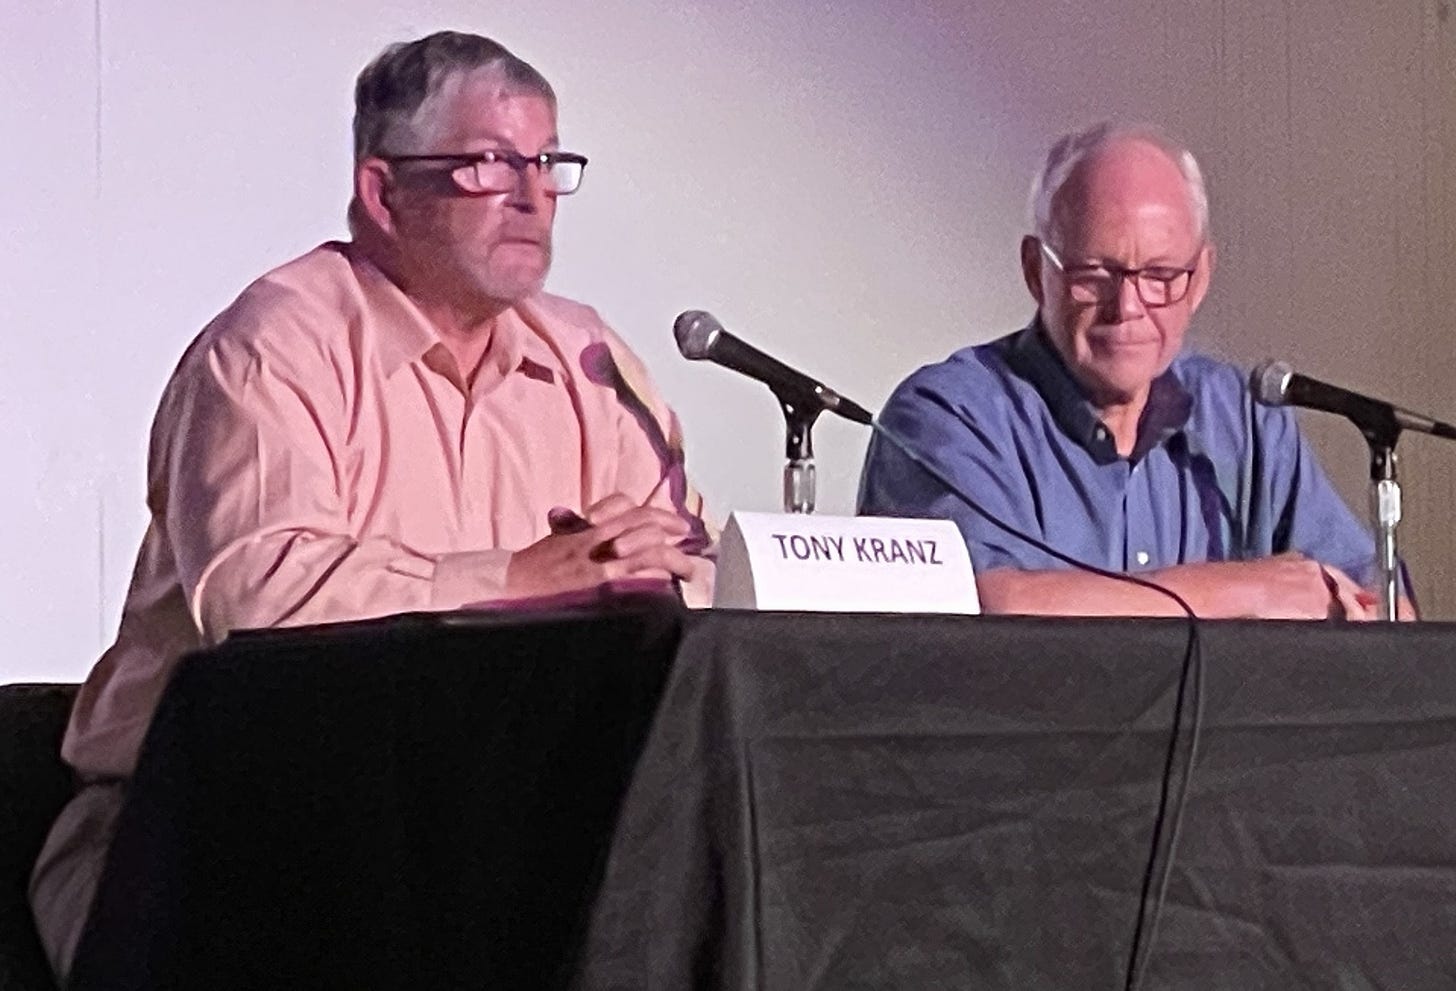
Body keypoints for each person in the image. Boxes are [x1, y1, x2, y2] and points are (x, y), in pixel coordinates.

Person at [30, 30, 713, 982]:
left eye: (548, 164)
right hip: (206, 828)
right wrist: (518, 578)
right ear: (383, 193)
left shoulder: (590, 362)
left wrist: (663, 573)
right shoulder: (277, 347)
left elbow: (688, 565)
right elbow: (261, 598)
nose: (530, 197)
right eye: (486, 165)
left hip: (483, 839)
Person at [859, 122, 1409, 620]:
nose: (1127, 306)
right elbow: (987, 603)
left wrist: (1358, 606)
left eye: (1161, 274)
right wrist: (1240, 591)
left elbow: (1383, 608)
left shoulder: (1246, 420)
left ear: (1199, 280)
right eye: (1095, 273)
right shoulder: (949, 415)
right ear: (1035, 270)